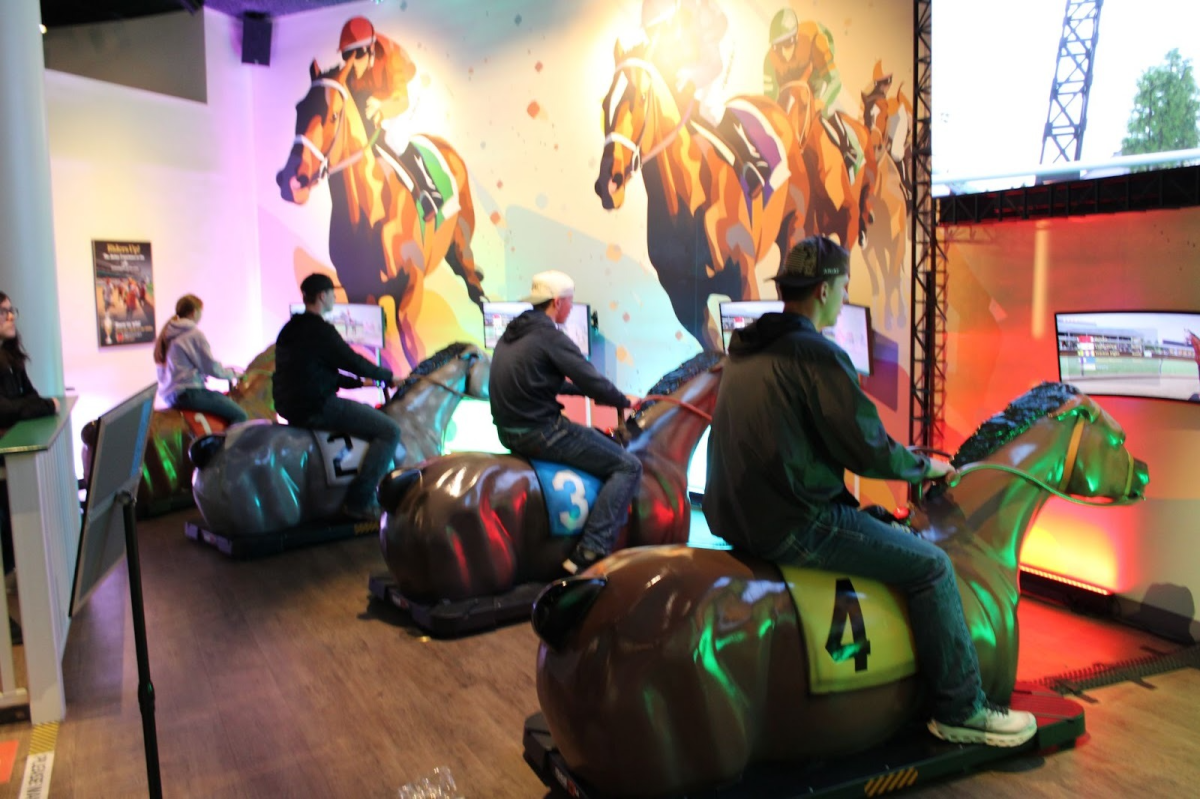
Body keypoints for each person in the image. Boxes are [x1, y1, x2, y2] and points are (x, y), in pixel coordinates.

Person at [703, 236, 1038, 748]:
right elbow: (869, 450)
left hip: (731, 516)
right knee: (932, 566)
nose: (843, 299)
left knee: (878, 520)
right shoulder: (818, 355)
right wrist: (927, 467)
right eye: (842, 287)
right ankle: (961, 709)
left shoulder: (747, 348)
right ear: (823, 290)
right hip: (792, 524)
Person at [488, 270, 641, 574]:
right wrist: (623, 400)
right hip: (540, 433)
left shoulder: (512, 333)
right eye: (570, 302)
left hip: (507, 432)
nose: (571, 308)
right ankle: (592, 548)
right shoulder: (550, 336)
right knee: (628, 466)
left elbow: (541, 380)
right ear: (557, 302)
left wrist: (583, 393)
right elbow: (590, 378)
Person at [273, 273, 403, 521]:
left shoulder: (289, 329)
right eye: (333, 294)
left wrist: (361, 383)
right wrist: (388, 377)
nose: (335, 298)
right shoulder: (321, 330)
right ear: (322, 296)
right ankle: (359, 501)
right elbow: (352, 361)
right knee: (390, 431)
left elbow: (317, 373)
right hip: (316, 406)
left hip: (290, 406)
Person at [337, 16, 442, 221]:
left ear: (369, 50)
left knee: (394, 137)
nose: (351, 62)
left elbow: (402, 101)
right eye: (346, 55)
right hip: (378, 91)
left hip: (403, 90)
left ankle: (430, 192)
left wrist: (383, 108)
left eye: (357, 54)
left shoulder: (391, 58)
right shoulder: (354, 72)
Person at [0, 292, 60, 645]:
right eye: (3, 312)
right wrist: (38, 406)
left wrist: (34, 405)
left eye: (12, 311)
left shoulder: (12, 358)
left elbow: (29, 399)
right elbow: (7, 409)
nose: (11, 317)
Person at [153, 294, 248, 424]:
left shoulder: (168, 334)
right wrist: (233, 375)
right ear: (194, 312)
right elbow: (211, 367)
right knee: (240, 415)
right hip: (189, 393)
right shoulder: (193, 334)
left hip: (170, 396)